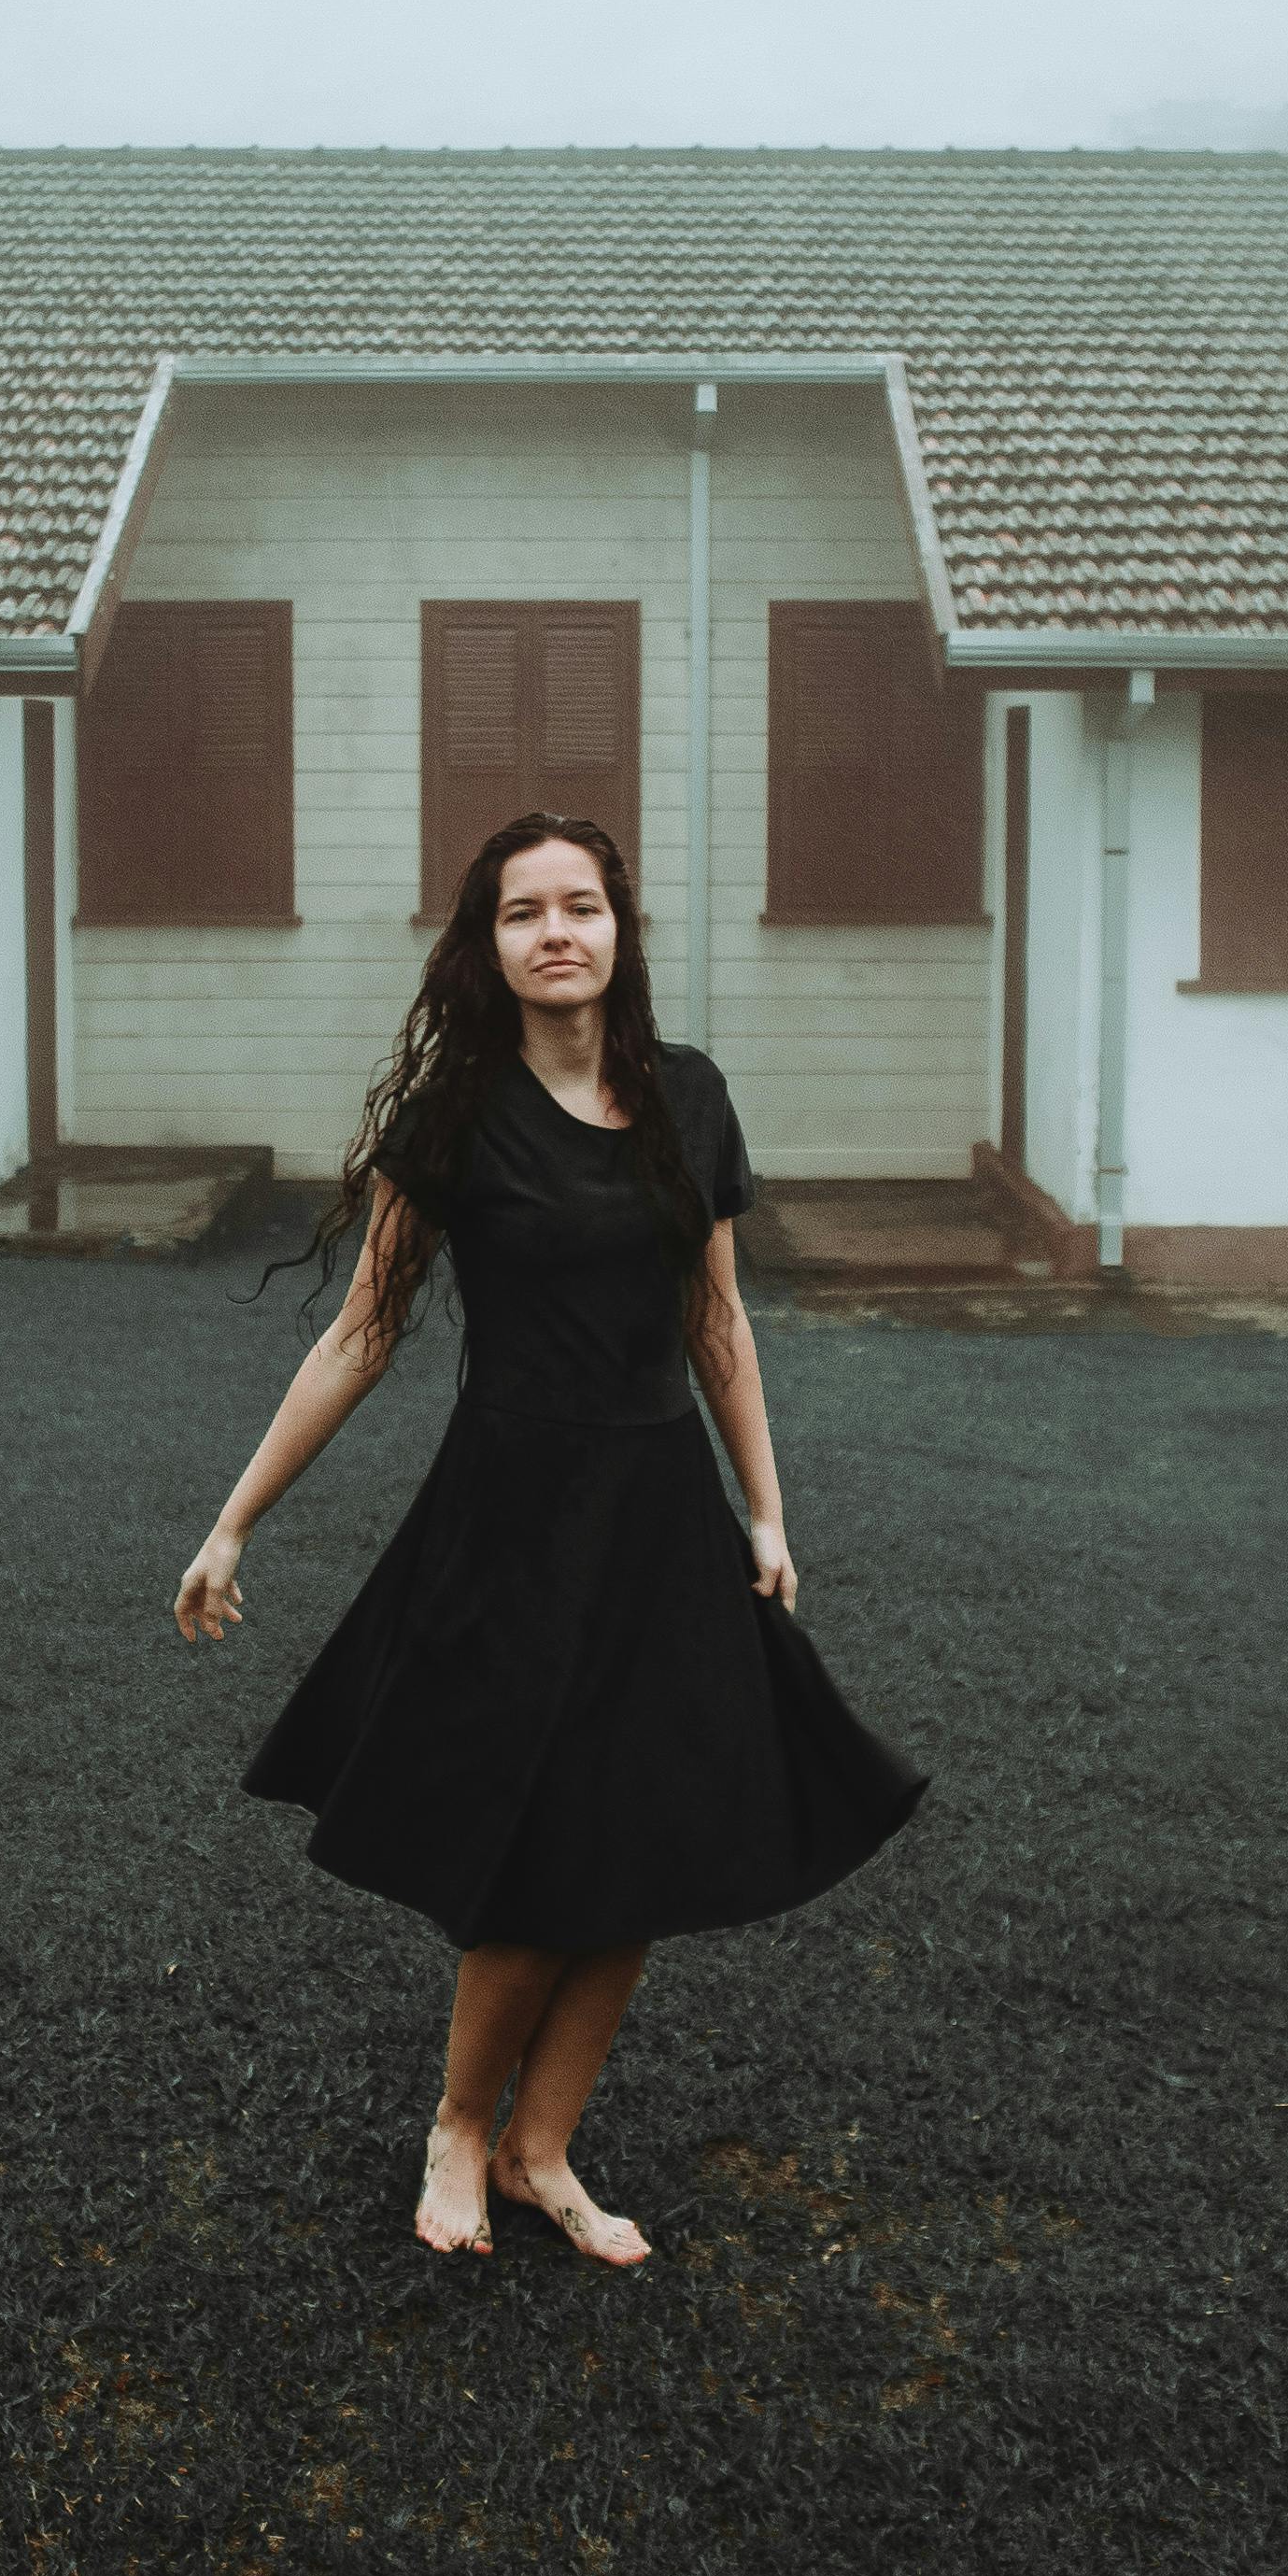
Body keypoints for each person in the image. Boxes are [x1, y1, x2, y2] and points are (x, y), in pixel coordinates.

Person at [173, 810, 927, 2266]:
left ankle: (540, 2149)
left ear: (621, 930)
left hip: (661, 1520)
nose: (559, 931)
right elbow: (361, 1334)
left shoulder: (692, 1100)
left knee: (641, 1832)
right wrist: (233, 1520)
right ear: (490, 945)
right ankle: (461, 2125)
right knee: (528, 1844)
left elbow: (717, 1321)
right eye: (526, 912)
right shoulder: (457, 1114)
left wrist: (766, 1507)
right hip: (511, 1521)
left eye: (583, 904)